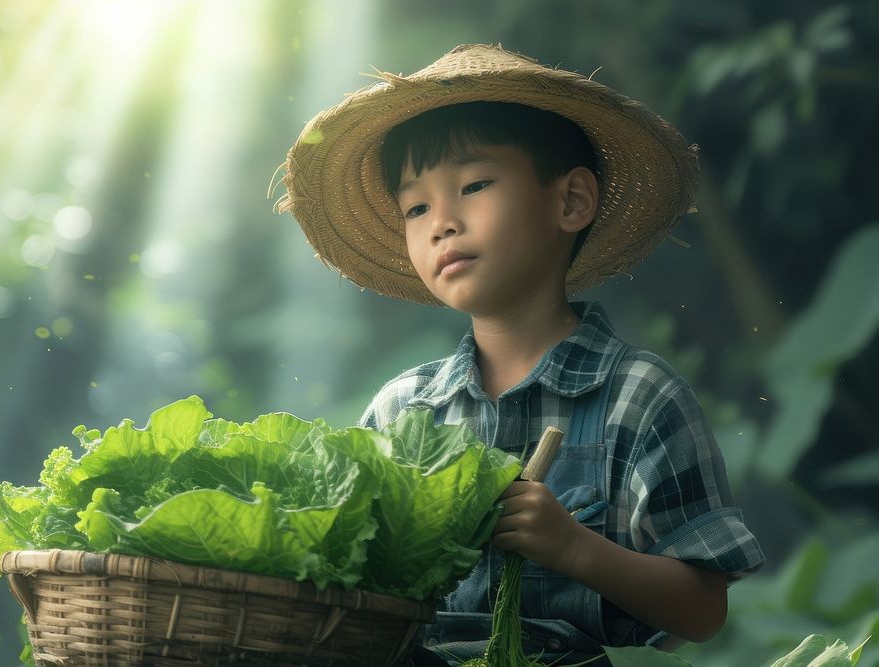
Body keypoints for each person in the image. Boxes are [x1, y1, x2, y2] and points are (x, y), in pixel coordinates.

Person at [278, 44, 765, 666]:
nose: (441, 223)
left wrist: (573, 547)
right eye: (417, 206)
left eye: (473, 185)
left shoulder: (639, 397)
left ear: (571, 202)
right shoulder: (402, 409)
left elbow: (703, 610)